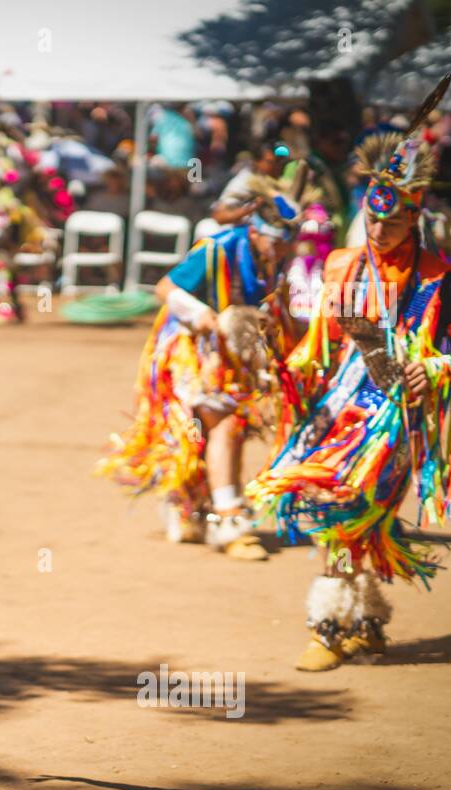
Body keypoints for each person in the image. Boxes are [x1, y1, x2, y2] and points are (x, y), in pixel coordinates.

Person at [248, 123, 451, 671]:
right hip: (339, 407)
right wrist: (278, 328)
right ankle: (361, 621)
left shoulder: (438, 278)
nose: (380, 230)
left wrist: (441, 364)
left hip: (399, 414)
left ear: (414, 218)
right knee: (335, 504)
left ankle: (335, 626)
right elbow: (320, 345)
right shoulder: (342, 266)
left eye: (393, 220)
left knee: (360, 511)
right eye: (373, 219)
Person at [96, 169, 319, 560]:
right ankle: (229, 520)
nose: (282, 251)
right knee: (226, 426)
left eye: (286, 245)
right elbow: (167, 287)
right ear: (255, 231)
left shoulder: (272, 259)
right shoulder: (217, 249)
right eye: (276, 243)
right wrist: (201, 314)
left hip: (231, 357)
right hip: (191, 351)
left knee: (205, 433)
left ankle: (188, 507)